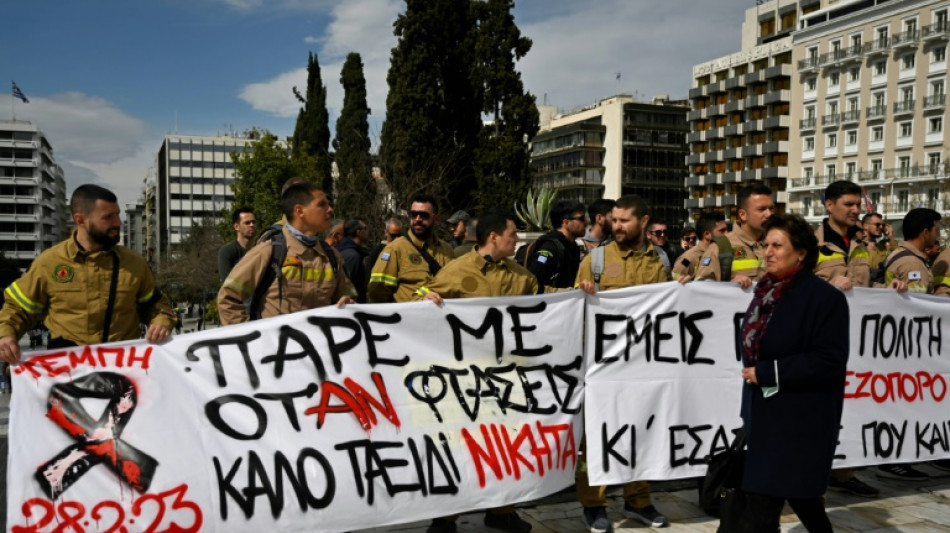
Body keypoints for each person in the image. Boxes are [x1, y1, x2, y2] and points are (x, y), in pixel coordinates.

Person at [419, 212, 536, 533]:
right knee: (459, 447)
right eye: (513, 234)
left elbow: (545, 304)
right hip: (464, 380)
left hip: (506, 378)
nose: (517, 240)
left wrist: (579, 292)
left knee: (506, 447)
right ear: (494, 236)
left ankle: (501, 511)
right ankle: (445, 519)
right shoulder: (456, 271)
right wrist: (425, 298)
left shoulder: (522, 277)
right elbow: (419, 297)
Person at [738, 213, 847, 533]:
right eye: (766, 244)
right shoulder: (763, 294)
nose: (768, 252)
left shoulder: (825, 298)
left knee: (761, 508)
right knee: (802, 499)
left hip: (801, 420)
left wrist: (769, 373)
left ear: (800, 252)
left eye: (777, 245)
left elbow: (830, 359)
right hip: (763, 414)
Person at [575, 195, 670, 531]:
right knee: (597, 436)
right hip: (602, 367)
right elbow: (575, 308)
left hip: (644, 365)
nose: (616, 226)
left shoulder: (660, 259)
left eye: (624, 220)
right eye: (614, 220)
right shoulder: (596, 260)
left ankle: (639, 500)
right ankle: (594, 504)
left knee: (642, 433)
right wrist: (583, 292)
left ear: (643, 221)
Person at [0, 184, 176, 364]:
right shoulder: (48, 263)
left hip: (123, 369)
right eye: (108, 217)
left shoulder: (134, 263)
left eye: (117, 214)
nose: (118, 223)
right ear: (80, 220)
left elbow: (156, 305)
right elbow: (17, 308)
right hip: (68, 373)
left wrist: (161, 322)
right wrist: (6, 335)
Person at [217, 182, 355, 324]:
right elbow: (228, 299)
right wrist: (252, 339)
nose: (330, 210)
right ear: (300, 211)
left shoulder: (332, 257)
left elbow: (348, 297)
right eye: (321, 205)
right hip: (277, 346)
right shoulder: (268, 251)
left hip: (320, 345)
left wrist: (348, 304)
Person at [367, 193, 455, 303]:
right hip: (408, 318)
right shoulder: (395, 249)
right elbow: (377, 292)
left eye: (424, 215)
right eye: (414, 214)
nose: (418, 219)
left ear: (436, 219)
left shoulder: (447, 250)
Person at [695, 184, 775, 288]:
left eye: (771, 208)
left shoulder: (778, 245)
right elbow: (701, 289)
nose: (769, 214)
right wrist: (730, 285)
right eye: (761, 209)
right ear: (742, 215)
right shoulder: (722, 247)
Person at [814, 181, 870, 291]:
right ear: (829, 205)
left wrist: (891, 288)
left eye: (858, 205)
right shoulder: (811, 245)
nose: (856, 210)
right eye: (848, 204)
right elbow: (798, 290)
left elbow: (868, 286)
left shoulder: (861, 244)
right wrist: (831, 286)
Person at [525, 200, 585, 292]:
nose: (586, 222)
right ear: (566, 223)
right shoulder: (549, 248)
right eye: (581, 219)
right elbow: (533, 284)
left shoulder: (573, 247)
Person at [673, 214, 726, 281]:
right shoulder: (687, 259)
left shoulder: (723, 253)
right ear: (707, 234)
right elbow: (675, 282)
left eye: (727, 230)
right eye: (722, 231)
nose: (727, 233)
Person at [217, 207, 257, 282]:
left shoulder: (260, 250)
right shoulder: (227, 251)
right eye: (247, 223)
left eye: (253, 222)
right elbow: (227, 282)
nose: (252, 225)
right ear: (236, 227)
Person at [337, 219, 369, 303]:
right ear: (358, 232)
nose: (368, 231)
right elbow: (348, 284)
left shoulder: (349, 251)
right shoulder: (352, 256)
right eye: (365, 228)